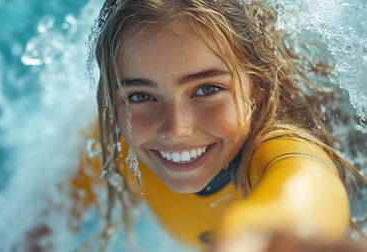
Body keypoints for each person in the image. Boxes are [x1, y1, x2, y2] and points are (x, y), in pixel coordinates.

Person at [70, 0, 367, 251]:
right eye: (140, 96)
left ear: (257, 89)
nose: (176, 130)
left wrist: (260, 235)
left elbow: (304, 190)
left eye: (207, 90)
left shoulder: (283, 150)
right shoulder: (109, 146)